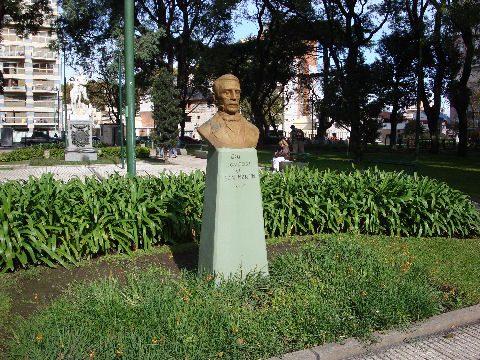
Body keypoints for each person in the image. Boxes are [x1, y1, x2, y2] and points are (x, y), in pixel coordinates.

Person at [197, 74, 259, 149]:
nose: (234, 97)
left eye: (237, 92)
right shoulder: (206, 128)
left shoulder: (253, 130)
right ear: (215, 97)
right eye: (227, 93)